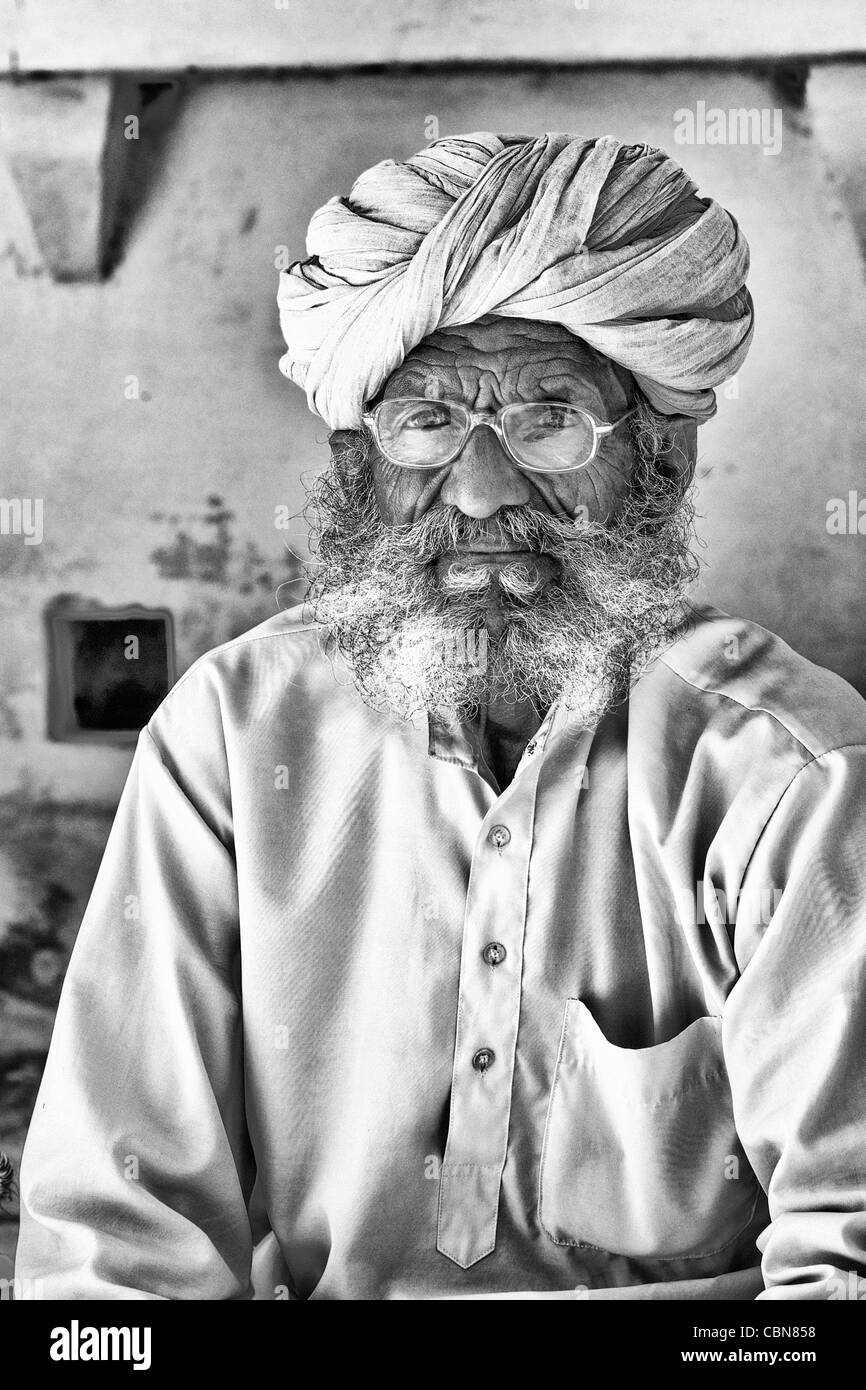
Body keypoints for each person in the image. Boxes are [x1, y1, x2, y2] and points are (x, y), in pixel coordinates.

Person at [16, 133, 866, 1300]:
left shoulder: (789, 777)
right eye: (424, 423)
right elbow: (115, 1245)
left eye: (546, 419)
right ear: (358, 461)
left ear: (659, 466)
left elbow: (844, 1263)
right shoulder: (232, 734)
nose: (479, 490)